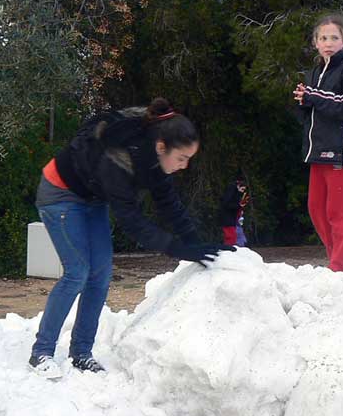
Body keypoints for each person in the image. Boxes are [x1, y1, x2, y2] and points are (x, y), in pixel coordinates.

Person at [29, 98, 233, 379]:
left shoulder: (154, 158)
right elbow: (133, 223)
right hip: (60, 193)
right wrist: (177, 248)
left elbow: (169, 204)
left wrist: (195, 243)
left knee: (101, 274)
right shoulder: (120, 159)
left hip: (92, 197)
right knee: (78, 272)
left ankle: (81, 353)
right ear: (162, 147)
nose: (184, 166)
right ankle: (41, 352)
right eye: (182, 158)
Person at [293, 13, 343, 273]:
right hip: (317, 151)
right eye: (323, 38)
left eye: (334, 37)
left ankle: (342, 266)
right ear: (315, 43)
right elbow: (311, 113)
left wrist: (314, 97)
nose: (328, 42)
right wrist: (303, 103)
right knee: (316, 208)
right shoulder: (315, 72)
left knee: (337, 211)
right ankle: (336, 259)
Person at [218, 178, 249, 246]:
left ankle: (230, 251)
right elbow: (226, 205)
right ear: (238, 186)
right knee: (231, 237)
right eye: (242, 189)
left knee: (232, 237)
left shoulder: (235, 193)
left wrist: (240, 206)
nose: (242, 192)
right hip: (227, 219)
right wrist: (239, 205)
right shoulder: (231, 192)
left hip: (231, 219)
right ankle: (228, 251)